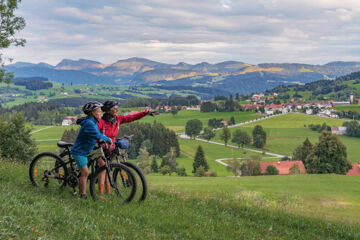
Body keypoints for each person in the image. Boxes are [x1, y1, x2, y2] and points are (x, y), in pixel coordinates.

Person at [96, 100, 157, 194]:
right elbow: (94, 133)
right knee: (103, 168)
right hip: (99, 147)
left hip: (110, 146)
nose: (116, 110)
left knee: (107, 167)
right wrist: (101, 141)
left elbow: (132, 117)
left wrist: (145, 113)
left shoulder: (118, 119)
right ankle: (100, 194)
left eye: (117, 108)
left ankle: (107, 193)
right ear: (108, 111)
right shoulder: (101, 122)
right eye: (114, 108)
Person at [70, 101, 112, 199]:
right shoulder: (89, 123)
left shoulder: (93, 121)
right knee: (85, 172)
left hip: (87, 149)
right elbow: (96, 134)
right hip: (79, 152)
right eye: (98, 111)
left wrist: (102, 139)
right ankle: (82, 195)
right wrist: (107, 139)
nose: (100, 113)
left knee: (90, 165)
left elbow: (95, 135)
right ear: (92, 113)